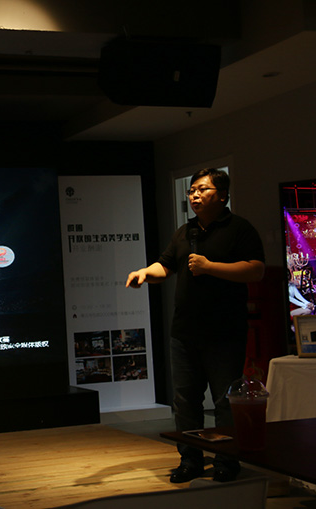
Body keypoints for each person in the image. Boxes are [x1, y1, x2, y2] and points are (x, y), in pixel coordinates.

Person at [126, 168, 265, 483]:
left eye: (202, 190)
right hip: (184, 332)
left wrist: (210, 266)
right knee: (186, 401)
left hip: (224, 332)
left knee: (224, 402)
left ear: (222, 195)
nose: (194, 196)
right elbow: (166, 265)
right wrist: (145, 273)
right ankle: (190, 460)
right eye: (191, 191)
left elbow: (256, 270)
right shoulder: (184, 232)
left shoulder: (239, 228)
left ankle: (227, 461)